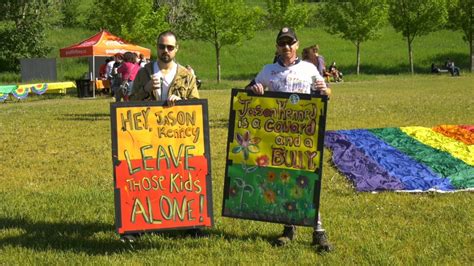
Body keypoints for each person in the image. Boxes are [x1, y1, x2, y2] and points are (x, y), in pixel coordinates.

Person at [246, 27, 333, 253]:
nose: (286, 47)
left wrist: (326, 91)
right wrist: (255, 89)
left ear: (297, 44)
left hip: (304, 136)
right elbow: (250, 89)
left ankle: (318, 231)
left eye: (290, 43)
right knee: (284, 180)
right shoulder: (269, 70)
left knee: (308, 179)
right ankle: (289, 228)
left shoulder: (309, 68)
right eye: (282, 43)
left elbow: (325, 92)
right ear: (276, 46)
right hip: (278, 137)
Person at [130, 31, 199, 104]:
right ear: (157, 47)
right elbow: (130, 102)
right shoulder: (143, 73)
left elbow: (197, 106)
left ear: (176, 48)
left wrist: (181, 102)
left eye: (170, 47)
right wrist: (145, 90)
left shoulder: (187, 76)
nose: (165, 50)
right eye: (162, 47)